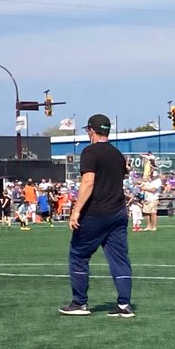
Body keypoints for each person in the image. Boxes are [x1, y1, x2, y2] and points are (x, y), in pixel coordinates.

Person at [60, 114, 133, 317]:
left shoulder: (90, 152)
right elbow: (121, 174)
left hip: (96, 213)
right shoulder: (117, 153)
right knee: (119, 259)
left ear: (91, 130)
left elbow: (88, 183)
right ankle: (124, 305)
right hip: (118, 212)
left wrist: (76, 211)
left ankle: (79, 303)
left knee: (78, 255)